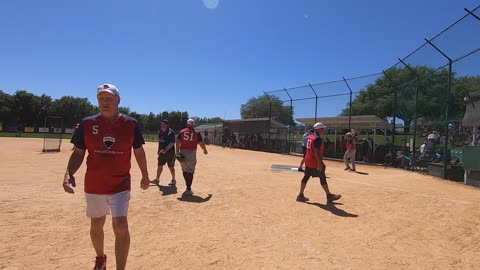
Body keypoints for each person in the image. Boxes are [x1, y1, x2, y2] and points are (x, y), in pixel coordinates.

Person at [62, 83, 150, 270]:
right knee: (96, 225)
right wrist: (68, 174)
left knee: (120, 225)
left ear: (118, 100)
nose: (105, 102)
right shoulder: (87, 124)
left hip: (120, 184)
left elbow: (139, 151)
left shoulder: (131, 124)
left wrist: (145, 175)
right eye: (101, 98)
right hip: (94, 184)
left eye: (109, 98)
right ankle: (100, 258)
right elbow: (78, 153)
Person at [296, 122, 341, 203]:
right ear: (318, 129)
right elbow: (316, 151)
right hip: (314, 162)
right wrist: (320, 163)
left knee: (306, 177)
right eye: (322, 128)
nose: (323, 129)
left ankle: (300, 195)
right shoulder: (317, 139)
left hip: (308, 160)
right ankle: (329, 196)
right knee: (322, 177)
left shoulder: (310, 136)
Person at [176, 118, 208, 196]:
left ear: (187, 124)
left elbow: (177, 141)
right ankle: (188, 188)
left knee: (184, 170)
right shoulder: (197, 133)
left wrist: (177, 151)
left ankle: (187, 186)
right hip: (191, 153)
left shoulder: (182, 131)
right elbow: (201, 143)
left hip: (183, 151)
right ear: (194, 125)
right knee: (190, 171)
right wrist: (205, 150)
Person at [150, 119, 176, 186]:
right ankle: (157, 179)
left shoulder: (171, 132)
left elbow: (172, 142)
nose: (162, 126)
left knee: (171, 167)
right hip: (162, 152)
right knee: (159, 165)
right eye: (161, 124)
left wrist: (166, 149)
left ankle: (173, 180)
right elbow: (160, 141)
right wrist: (158, 150)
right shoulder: (160, 132)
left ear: (167, 125)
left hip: (170, 153)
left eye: (163, 125)